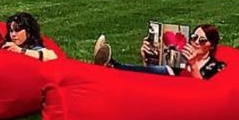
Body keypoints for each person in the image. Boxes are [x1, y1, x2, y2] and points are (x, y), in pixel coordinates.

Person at [92, 24, 226, 80]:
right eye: (194, 38)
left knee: (163, 71)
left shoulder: (214, 66)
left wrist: (194, 64)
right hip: (166, 77)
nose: (196, 42)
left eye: (202, 40)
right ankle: (111, 66)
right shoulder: (181, 58)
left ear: (212, 46)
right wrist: (146, 57)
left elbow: (206, 91)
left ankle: (111, 65)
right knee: (156, 71)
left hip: (176, 87)